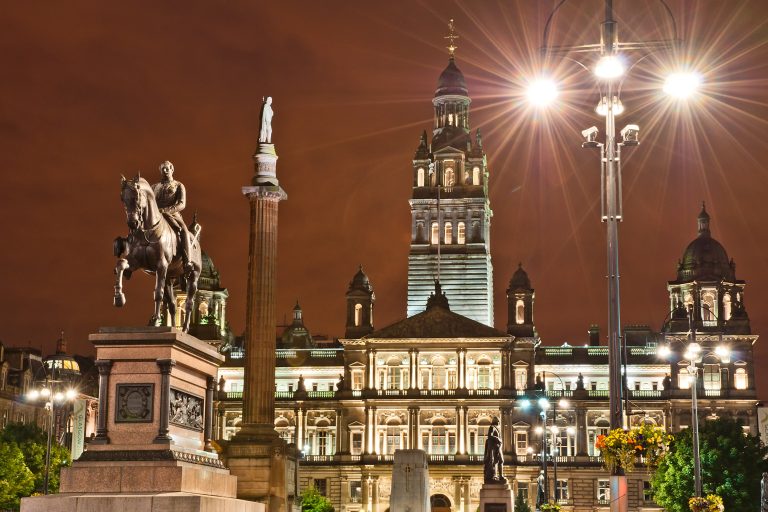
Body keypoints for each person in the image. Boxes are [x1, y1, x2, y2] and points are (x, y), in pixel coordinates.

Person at [152, 161, 192, 271]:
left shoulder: (179, 185)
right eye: (162, 169)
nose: (164, 171)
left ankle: (187, 261)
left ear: (172, 169)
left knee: (184, 231)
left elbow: (182, 204)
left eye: (167, 168)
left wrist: (166, 210)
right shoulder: (155, 187)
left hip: (173, 215)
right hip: (156, 215)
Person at [483, 416, 505, 483]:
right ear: (495, 421)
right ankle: (495, 475)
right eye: (498, 421)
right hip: (494, 447)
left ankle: (501, 476)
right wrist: (497, 438)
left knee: (501, 461)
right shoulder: (492, 427)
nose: (499, 423)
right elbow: (490, 435)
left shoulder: (497, 428)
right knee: (495, 462)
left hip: (498, 447)